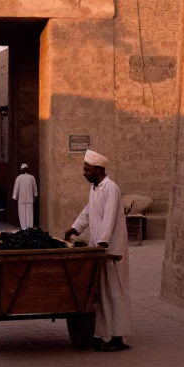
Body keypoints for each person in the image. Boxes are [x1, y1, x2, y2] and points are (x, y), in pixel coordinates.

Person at [64, 149, 131, 351]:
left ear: (98, 169)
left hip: (111, 250)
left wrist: (103, 241)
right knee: (100, 292)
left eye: (87, 169)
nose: (84, 173)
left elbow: (110, 216)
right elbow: (88, 212)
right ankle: (102, 333)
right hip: (99, 250)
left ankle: (117, 336)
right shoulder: (95, 189)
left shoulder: (111, 189)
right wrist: (75, 228)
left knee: (114, 291)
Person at [11, 163, 37, 230]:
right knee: (30, 216)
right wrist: (34, 196)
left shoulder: (18, 178)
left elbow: (16, 190)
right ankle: (30, 229)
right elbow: (35, 189)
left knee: (22, 216)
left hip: (21, 200)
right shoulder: (32, 178)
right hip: (30, 200)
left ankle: (23, 229)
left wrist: (15, 198)